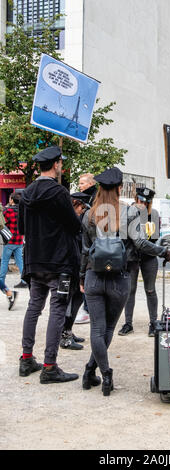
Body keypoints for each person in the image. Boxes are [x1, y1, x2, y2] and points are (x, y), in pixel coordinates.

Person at [79, 167, 170, 396]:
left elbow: (84, 250)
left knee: (96, 329)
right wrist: (166, 252)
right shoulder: (129, 212)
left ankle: (91, 371)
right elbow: (142, 244)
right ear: (118, 189)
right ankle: (104, 374)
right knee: (107, 329)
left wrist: (81, 276)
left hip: (94, 275)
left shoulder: (89, 214)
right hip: (119, 277)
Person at [18, 146, 82, 383]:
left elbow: (23, 229)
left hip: (35, 261)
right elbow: (75, 225)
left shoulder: (27, 193)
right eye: (60, 163)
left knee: (34, 307)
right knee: (57, 310)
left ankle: (26, 358)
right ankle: (49, 365)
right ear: (56, 165)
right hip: (58, 261)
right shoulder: (59, 192)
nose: (61, 166)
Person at [118, 187, 161, 337]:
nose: (141, 203)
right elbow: (123, 235)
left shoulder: (153, 214)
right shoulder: (128, 212)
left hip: (148, 257)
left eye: (145, 201)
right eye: (139, 200)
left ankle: (154, 322)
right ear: (135, 199)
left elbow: (154, 238)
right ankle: (128, 323)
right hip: (131, 257)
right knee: (130, 290)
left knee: (150, 290)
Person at [60, 192, 91, 350]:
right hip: (69, 266)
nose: (83, 210)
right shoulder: (69, 221)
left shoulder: (75, 219)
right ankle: (65, 335)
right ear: (76, 205)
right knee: (69, 301)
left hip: (76, 265)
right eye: (82, 207)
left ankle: (68, 331)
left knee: (77, 299)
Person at [74, 173, 97, 325]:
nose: (80, 185)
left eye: (82, 183)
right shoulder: (87, 197)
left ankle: (88, 309)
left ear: (89, 184)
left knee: (86, 275)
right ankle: (87, 307)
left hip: (89, 242)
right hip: (84, 241)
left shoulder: (93, 198)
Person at [0, 192, 27, 289]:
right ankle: (24, 281)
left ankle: (1, 281)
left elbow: (2, 222)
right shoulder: (23, 210)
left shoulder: (8, 211)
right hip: (19, 240)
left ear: (12, 200)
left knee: (4, 261)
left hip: (9, 240)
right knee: (20, 261)